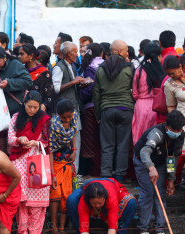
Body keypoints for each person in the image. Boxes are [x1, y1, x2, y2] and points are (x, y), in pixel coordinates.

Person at [134, 110, 185, 234]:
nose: (177, 132)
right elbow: (145, 152)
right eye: (174, 129)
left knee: (160, 195)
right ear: (167, 126)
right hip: (143, 162)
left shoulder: (180, 135)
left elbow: (173, 158)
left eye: (179, 129)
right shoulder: (156, 133)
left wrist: (171, 179)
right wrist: (151, 168)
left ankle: (160, 230)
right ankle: (142, 230)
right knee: (148, 193)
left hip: (161, 164)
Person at [8, 91, 50, 234]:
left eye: (35, 107)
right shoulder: (16, 117)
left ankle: (34, 231)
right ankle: (22, 230)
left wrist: (36, 143)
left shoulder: (44, 119)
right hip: (19, 159)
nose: (32, 110)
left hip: (37, 160)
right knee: (22, 199)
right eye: (29, 106)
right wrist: (19, 139)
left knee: (37, 198)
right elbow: (10, 138)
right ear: (23, 104)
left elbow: (48, 141)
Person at [94, 40, 135, 181]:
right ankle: (120, 175)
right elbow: (134, 91)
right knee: (123, 144)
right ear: (118, 52)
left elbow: (96, 95)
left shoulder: (100, 69)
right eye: (125, 51)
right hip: (125, 109)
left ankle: (105, 174)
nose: (127, 53)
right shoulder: (129, 68)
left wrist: (98, 115)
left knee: (107, 145)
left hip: (107, 110)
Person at [66, 178, 136, 234]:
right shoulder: (84, 199)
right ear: (88, 201)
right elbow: (84, 229)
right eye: (94, 203)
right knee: (71, 199)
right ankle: (79, 232)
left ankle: (120, 233)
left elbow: (112, 226)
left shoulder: (111, 197)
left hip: (109, 184)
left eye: (100, 203)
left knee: (131, 201)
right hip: (88, 184)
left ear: (105, 199)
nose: (97, 206)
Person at [48, 99, 78, 234]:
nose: (67, 119)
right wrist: (52, 174)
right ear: (58, 115)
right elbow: (50, 150)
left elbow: (73, 133)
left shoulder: (75, 117)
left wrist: (74, 149)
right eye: (64, 117)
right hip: (54, 163)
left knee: (67, 195)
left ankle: (62, 229)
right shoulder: (53, 125)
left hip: (67, 162)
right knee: (55, 195)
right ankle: (53, 229)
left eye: (69, 116)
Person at [53, 41, 85, 170]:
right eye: (75, 52)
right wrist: (73, 82)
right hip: (64, 112)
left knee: (76, 141)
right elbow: (55, 89)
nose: (77, 55)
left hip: (73, 108)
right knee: (65, 142)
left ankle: (74, 173)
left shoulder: (71, 66)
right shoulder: (58, 67)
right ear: (68, 53)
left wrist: (78, 83)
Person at [132, 43, 166, 145]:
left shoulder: (139, 70)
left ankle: (139, 157)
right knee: (155, 135)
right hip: (157, 106)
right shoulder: (162, 71)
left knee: (140, 134)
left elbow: (134, 93)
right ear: (159, 56)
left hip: (141, 105)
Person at [78, 43, 103, 177]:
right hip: (101, 106)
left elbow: (91, 89)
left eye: (83, 52)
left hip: (90, 108)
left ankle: (91, 171)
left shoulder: (90, 69)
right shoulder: (104, 65)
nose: (81, 55)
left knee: (89, 140)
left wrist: (79, 94)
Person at [17, 43, 56, 115]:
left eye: (21, 54)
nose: (19, 56)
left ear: (31, 56)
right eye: (18, 54)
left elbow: (49, 94)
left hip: (38, 110)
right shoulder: (20, 71)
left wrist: (44, 105)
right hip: (22, 110)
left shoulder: (44, 73)